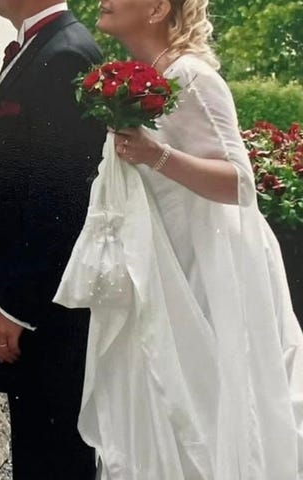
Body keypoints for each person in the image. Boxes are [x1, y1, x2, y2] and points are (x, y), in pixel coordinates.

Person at [69, 0, 303, 478]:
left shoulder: (192, 77)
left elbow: (240, 183)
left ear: (158, 8)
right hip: (160, 267)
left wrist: (155, 155)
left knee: (205, 408)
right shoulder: (140, 77)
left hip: (207, 276)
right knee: (156, 406)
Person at [0, 1, 105, 479]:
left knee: (54, 449)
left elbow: (62, 195)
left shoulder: (66, 54)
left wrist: (19, 306)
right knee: (37, 444)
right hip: (24, 296)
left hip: (42, 307)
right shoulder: (43, 46)